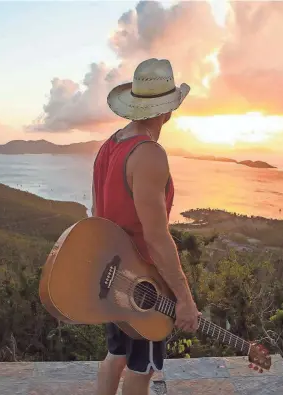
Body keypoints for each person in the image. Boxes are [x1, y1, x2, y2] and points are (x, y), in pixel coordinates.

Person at [92, 58, 200, 395]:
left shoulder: (110, 146)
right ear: (167, 111)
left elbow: (97, 218)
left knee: (116, 355)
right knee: (142, 369)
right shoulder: (149, 154)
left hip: (112, 275)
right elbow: (156, 237)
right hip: (143, 287)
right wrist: (184, 298)